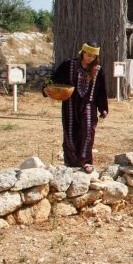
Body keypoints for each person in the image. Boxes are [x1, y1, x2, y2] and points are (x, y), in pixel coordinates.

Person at [44, 42, 108, 173]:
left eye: (93, 56)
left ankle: (86, 162)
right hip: (70, 105)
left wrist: (103, 108)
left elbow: (101, 91)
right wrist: (45, 89)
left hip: (89, 105)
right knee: (70, 132)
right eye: (88, 55)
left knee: (88, 132)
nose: (90, 58)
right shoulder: (69, 64)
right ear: (82, 52)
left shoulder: (98, 69)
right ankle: (71, 162)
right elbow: (53, 79)